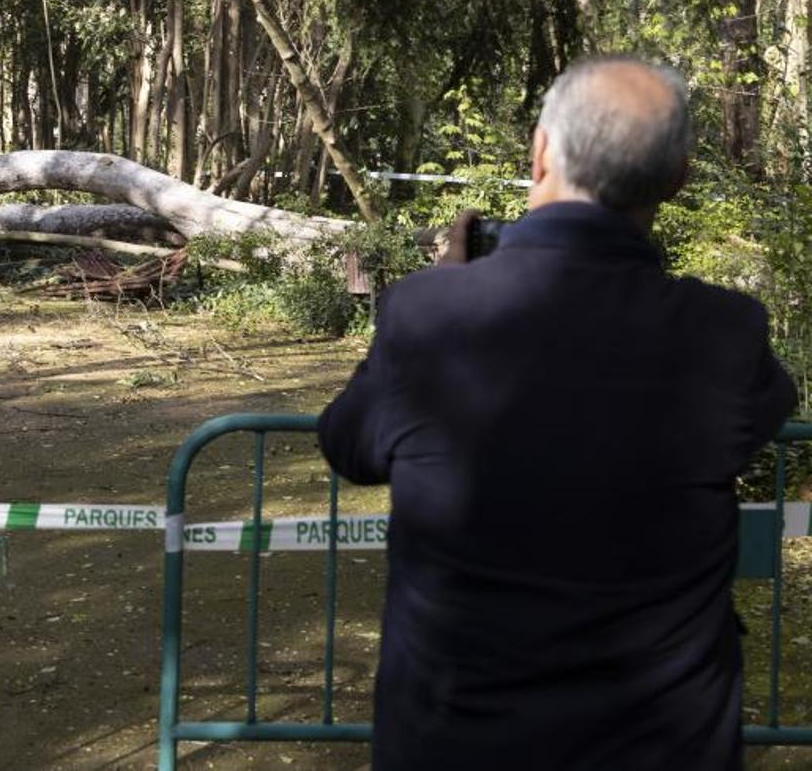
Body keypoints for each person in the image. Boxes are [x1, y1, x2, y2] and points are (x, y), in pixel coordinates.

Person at [318, 56, 796, 770]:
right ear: (678, 179)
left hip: (456, 743)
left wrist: (443, 291)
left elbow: (348, 446)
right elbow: (757, 415)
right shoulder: (724, 333)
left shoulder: (430, 312)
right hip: (663, 747)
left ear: (540, 153)